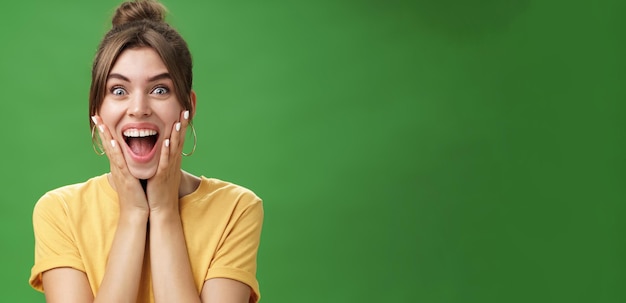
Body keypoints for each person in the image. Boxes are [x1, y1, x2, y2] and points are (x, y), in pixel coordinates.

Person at [28, 0, 264, 302]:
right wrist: (134, 214)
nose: (138, 109)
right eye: (118, 90)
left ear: (188, 106)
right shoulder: (59, 211)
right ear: (96, 108)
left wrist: (164, 212)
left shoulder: (236, 209)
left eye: (159, 90)